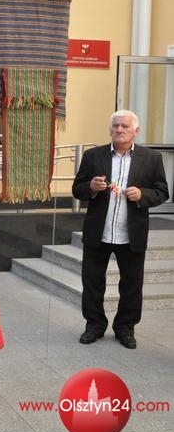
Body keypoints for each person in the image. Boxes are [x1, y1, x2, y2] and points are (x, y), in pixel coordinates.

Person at [72, 109, 169, 350]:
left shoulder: (151, 158)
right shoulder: (93, 156)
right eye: (115, 125)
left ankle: (125, 328)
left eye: (125, 126)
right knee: (92, 282)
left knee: (132, 286)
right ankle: (94, 325)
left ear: (136, 130)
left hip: (131, 233)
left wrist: (142, 195)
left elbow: (162, 192)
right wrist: (91, 187)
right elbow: (77, 189)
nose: (119, 129)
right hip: (99, 232)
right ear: (110, 129)